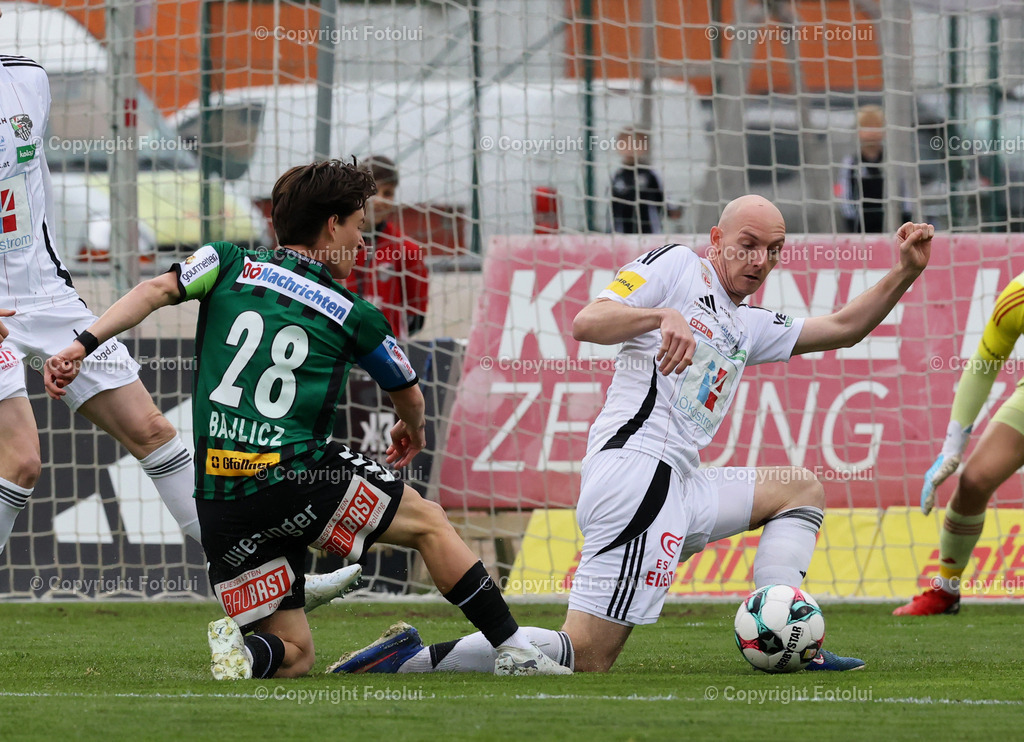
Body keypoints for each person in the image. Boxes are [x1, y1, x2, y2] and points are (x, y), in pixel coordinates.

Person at [332, 195, 934, 675]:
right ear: (717, 242)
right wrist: (660, 315)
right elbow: (587, 321)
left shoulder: (744, 324)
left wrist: (903, 272)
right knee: (586, 655)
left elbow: (845, 327)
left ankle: (781, 622)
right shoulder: (675, 265)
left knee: (798, 489)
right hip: (637, 475)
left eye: (773, 251)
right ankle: (407, 658)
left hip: (682, 483)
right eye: (748, 245)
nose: (759, 260)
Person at [44, 159, 570, 680]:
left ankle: (246, 655)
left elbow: (155, 291)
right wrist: (414, 426)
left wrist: (80, 344)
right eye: (360, 227)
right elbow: (407, 390)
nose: (363, 243)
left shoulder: (226, 261)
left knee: (294, 655)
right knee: (430, 523)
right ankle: (517, 651)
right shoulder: (351, 311)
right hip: (295, 476)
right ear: (332, 225)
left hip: (220, 500)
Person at [0, 43, 354, 612]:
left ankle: (275, 583)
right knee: (20, 463)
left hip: (48, 298)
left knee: (153, 432)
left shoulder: (29, 79)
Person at [894, 271, 1024, 616]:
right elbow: (984, 366)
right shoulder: (1018, 295)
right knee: (973, 480)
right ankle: (946, 592)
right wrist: (951, 450)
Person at [343, 155, 428, 341]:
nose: (380, 200)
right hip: (338, 349)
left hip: (385, 352)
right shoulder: (334, 245)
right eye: (374, 192)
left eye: (388, 193)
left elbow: (416, 318)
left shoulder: (408, 250)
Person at [836, 105, 912, 233]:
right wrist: (851, 222)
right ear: (858, 131)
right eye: (866, 127)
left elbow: (905, 194)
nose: (871, 132)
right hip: (861, 228)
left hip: (891, 225)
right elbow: (845, 197)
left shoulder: (893, 162)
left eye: (876, 126)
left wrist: (905, 217)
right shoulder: (851, 163)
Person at [610, 128, 681, 235]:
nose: (630, 149)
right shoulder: (616, 176)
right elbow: (611, 207)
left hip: (649, 233)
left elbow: (664, 198)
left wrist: (672, 211)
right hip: (622, 234)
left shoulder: (651, 174)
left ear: (644, 148)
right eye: (624, 144)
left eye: (635, 144)